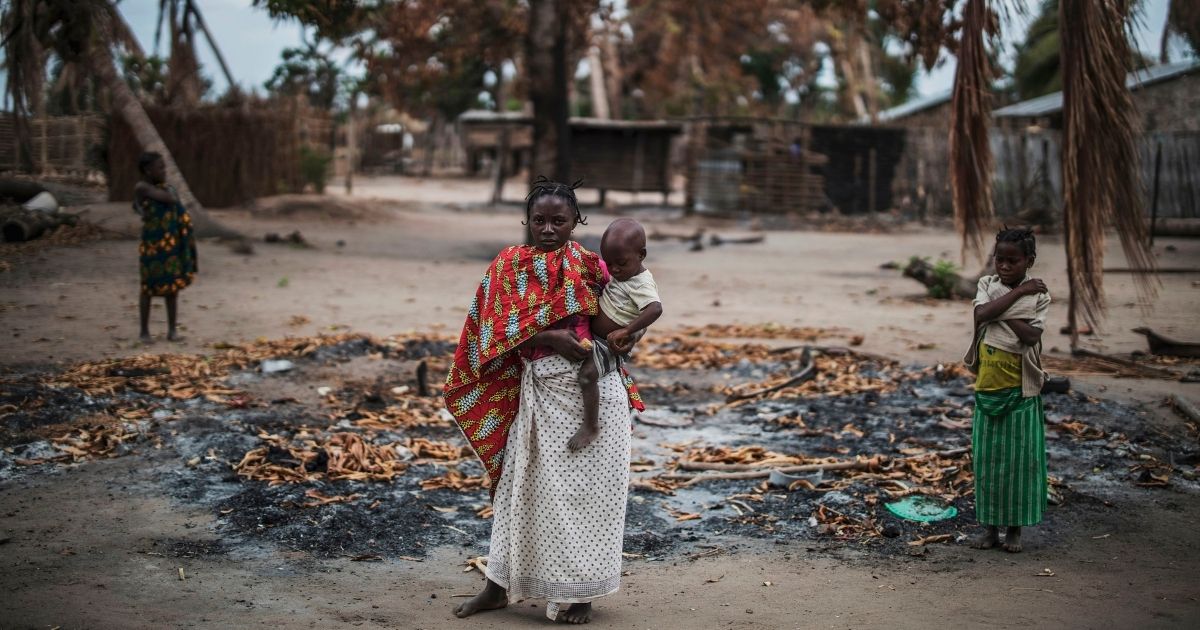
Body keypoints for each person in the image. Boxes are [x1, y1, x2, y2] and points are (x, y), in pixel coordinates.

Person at [444, 177, 644, 624]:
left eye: (559, 220)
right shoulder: (508, 265)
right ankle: (497, 587)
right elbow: (489, 333)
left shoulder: (593, 266)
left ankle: (582, 593)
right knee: (521, 492)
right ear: (527, 222)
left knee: (591, 496)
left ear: (577, 221)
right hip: (540, 393)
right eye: (540, 220)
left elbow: (624, 314)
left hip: (596, 394)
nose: (549, 228)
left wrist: (623, 338)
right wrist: (550, 335)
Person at [962, 227, 1051, 553]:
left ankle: (1014, 531)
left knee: (1018, 466)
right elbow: (980, 314)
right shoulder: (987, 285)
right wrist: (1016, 298)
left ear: (1029, 260)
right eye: (999, 259)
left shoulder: (1039, 296)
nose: (1004, 266)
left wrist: (999, 310)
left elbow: (1030, 336)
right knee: (988, 466)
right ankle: (990, 531)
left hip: (1021, 394)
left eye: (1013, 261)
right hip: (987, 391)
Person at [569, 218, 662, 452]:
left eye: (621, 263)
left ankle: (591, 425)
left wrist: (628, 331)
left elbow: (655, 309)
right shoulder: (622, 275)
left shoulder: (641, 284)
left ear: (641, 255)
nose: (614, 270)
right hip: (597, 336)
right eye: (609, 264)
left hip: (608, 345)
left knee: (587, 375)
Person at [133, 151, 197, 343]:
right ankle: (144, 332)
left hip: (170, 245)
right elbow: (168, 200)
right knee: (147, 288)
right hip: (152, 245)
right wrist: (142, 209)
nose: (164, 171)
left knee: (172, 288)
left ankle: (172, 331)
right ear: (147, 170)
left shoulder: (165, 188)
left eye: (164, 167)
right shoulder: (142, 187)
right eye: (160, 168)